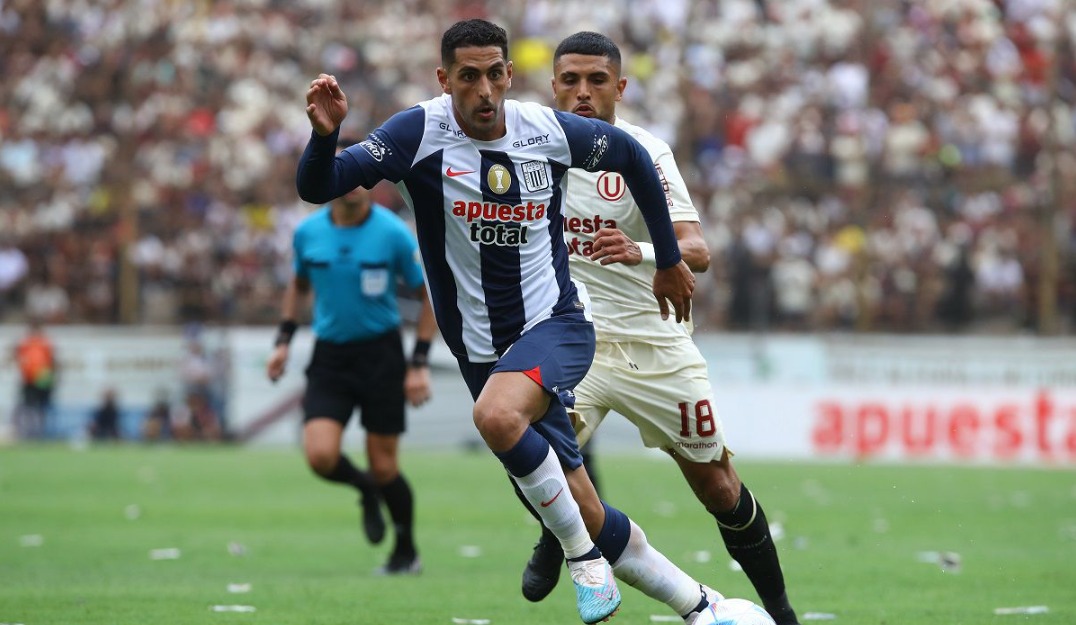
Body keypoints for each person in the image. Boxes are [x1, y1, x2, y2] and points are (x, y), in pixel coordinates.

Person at [297, 19, 723, 625]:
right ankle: (702, 606)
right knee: (586, 508)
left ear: (510, 74)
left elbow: (628, 153)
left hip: (556, 325)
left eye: (495, 74)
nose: (485, 91)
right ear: (445, 81)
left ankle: (581, 561)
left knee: (496, 419)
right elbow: (322, 184)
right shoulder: (418, 132)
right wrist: (326, 137)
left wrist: (668, 259)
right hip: (481, 352)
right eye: (468, 77)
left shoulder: (543, 130)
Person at [514, 31, 801, 625]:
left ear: (621, 87)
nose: (583, 93)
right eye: (570, 80)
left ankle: (781, 611)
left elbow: (697, 250)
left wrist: (641, 251)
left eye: (597, 81)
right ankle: (563, 538)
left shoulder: (643, 151)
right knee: (531, 449)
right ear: (552, 86)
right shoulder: (524, 150)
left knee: (719, 487)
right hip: (573, 338)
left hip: (654, 341)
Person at [269, 136, 438, 576]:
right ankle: (365, 490)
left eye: (362, 174)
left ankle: (406, 552)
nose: (353, 183)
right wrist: (284, 339)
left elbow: (429, 297)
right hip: (330, 356)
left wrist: (418, 363)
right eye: (345, 172)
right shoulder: (308, 232)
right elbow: (299, 284)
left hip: (380, 355)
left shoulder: (392, 233)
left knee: (385, 464)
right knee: (320, 456)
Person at [12, 320, 57, 440]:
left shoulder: (45, 343)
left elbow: (52, 360)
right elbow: (16, 353)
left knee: (40, 406)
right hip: (29, 379)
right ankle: (28, 431)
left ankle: (38, 431)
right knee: (28, 405)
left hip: (42, 378)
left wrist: (52, 378)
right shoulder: (26, 343)